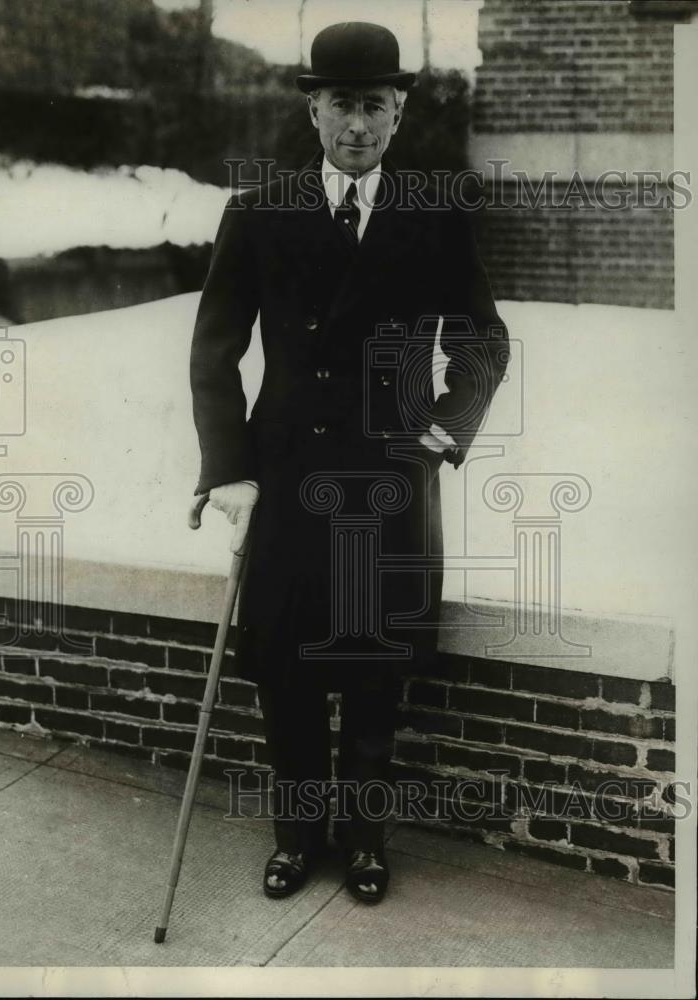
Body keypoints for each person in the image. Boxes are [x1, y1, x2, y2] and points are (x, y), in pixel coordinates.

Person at [188, 21, 509, 904]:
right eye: (341, 104)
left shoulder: (434, 212)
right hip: (289, 479)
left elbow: (482, 337)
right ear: (312, 107)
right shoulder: (260, 208)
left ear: (399, 113)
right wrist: (229, 469)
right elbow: (215, 351)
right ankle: (297, 837)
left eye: (376, 105)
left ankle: (365, 840)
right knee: (286, 668)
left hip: (387, 480)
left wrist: (446, 429)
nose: (357, 124)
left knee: (373, 671)